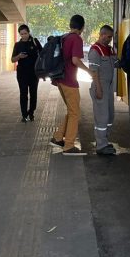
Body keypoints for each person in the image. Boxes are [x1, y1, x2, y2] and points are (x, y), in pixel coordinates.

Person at [50, 14, 93, 155]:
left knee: (71, 110)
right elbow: (75, 60)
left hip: (60, 79)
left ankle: (58, 137)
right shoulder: (76, 39)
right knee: (75, 113)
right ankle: (68, 145)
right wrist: (89, 71)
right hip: (69, 80)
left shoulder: (64, 37)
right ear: (82, 27)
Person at [88, 25, 118, 156]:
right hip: (100, 86)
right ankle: (101, 145)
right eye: (109, 37)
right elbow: (94, 72)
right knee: (102, 116)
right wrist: (98, 89)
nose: (110, 39)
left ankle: (105, 140)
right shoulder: (96, 50)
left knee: (110, 115)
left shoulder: (109, 49)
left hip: (109, 87)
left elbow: (116, 63)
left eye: (111, 37)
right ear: (102, 34)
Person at [11, 24, 42, 122]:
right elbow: (12, 59)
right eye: (22, 34)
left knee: (33, 94)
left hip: (33, 73)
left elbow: (42, 54)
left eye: (25, 33)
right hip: (22, 73)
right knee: (23, 94)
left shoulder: (35, 42)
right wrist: (19, 56)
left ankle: (31, 112)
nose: (24, 36)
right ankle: (24, 115)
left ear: (29, 32)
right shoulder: (17, 45)